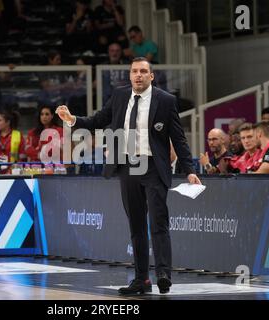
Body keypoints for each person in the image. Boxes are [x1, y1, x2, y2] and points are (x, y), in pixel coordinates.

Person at [56, 57, 201, 295]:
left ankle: (163, 273)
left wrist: (190, 170)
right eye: (134, 71)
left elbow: (178, 138)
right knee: (136, 226)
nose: (139, 75)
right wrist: (72, 120)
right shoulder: (120, 95)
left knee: (158, 221)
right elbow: (98, 120)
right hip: (127, 166)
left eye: (143, 71)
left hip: (154, 166)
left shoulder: (165, 100)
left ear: (151, 76)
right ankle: (141, 279)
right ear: (130, 74)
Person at [0, 109, 26, 174]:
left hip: (13, 174)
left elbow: (22, 159)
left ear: (8, 122)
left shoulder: (18, 135)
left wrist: (10, 172)